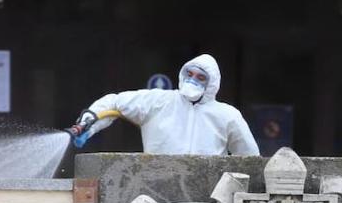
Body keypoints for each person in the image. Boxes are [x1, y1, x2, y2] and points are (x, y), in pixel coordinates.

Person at [69, 53, 259, 156]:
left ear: (212, 83)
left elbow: (249, 158)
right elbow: (114, 104)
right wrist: (88, 123)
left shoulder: (227, 115)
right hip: (156, 193)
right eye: (190, 74)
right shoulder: (158, 101)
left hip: (208, 199)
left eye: (201, 77)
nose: (193, 80)